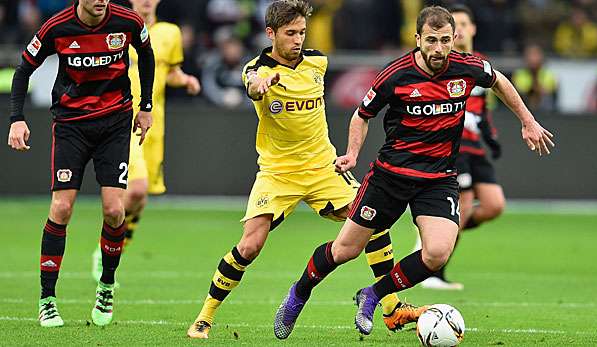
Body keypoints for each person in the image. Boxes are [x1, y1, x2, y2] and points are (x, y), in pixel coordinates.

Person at [274, 5, 554, 339]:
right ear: (417, 38)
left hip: (437, 179)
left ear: (455, 38)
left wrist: (527, 120)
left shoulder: (467, 67)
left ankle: (373, 294)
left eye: (446, 40)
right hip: (390, 177)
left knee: (436, 254)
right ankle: (299, 292)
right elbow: (362, 115)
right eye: (432, 40)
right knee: (344, 250)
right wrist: (351, 153)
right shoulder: (396, 74)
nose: (439, 49)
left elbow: (500, 81)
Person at [187, 0, 424, 339]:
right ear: (271, 33)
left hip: (322, 167)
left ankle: (390, 307)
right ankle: (204, 317)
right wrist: (259, 87)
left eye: (301, 32)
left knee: (373, 219)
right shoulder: (258, 70)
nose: (297, 39)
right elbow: (252, 82)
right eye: (290, 33)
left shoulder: (318, 62)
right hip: (277, 172)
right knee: (250, 245)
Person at [7, 0, 154, 327]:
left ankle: (106, 286)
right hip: (72, 125)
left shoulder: (127, 21)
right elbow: (23, 70)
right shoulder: (56, 27)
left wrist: (146, 105)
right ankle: (47, 298)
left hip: (115, 122)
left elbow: (146, 53)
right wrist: (16, 118)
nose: (101, 1)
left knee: (115, 210)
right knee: (61, 209)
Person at [91, 0, 201, 283]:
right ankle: (104, 247)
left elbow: (169, 72)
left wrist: (185, 79)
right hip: (121, 120)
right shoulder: (117, 29)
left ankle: (113, 250)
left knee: (141, 198)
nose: (146, 0)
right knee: (136, 190)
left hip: (154, 125)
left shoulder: (170, 33)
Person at [418, 4, 505, 291]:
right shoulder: (444, 64)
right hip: (454, 146)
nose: (462, 30)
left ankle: (433, 236)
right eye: (457, 25)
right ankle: (433, 269)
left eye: (465, 24)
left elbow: (482, 108)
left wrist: (490, 135)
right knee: (464, 205)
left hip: (475, 144)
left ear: (471, 29)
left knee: (494, 205)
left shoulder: (480, 65)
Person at [512, 43, 558, 112]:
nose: (533, 59)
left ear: (541, 57)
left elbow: (548, 91)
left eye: (536, 55)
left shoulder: (549, 74)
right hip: (524, 108)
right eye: (530, 55)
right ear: (526, 58)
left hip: (545, 110)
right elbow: (522, 91)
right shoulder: (519, 74)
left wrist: (536, 88)